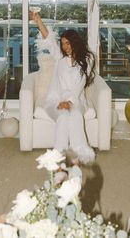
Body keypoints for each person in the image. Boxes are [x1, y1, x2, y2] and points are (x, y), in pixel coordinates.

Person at [31, 11, 96, 164]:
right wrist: (38, 20)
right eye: (63, 44)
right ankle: (58, 155)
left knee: (74, 115)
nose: (65, 47)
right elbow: (48, 38)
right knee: (63, 115)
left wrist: (70, 102)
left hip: (77, 100)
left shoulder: (88, 59)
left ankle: (78, 153)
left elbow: (80, 84)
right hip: (55, 100)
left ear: (75, 42)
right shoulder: (60, 57)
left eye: (68, 43)